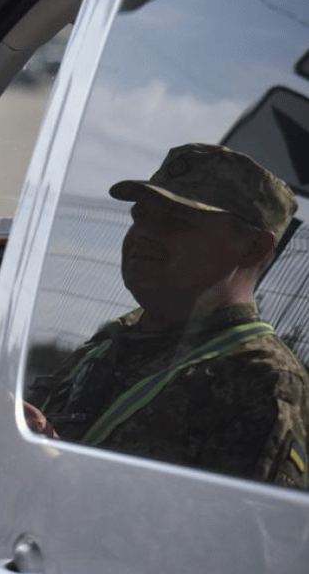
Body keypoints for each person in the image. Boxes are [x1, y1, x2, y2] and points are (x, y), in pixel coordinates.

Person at [26, 143, 309, 488]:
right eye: (140, 218)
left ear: (254, 249)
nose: (143, 234)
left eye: (176, 223)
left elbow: (231, 537)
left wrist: (54, 469)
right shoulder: (117, 339)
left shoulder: (262, 379)